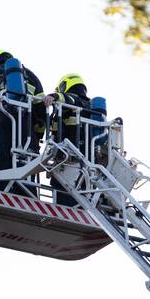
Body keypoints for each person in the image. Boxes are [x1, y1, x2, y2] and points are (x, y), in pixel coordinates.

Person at [0, 50, 45, 190]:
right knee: (27, 176)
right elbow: (41, 110)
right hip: (27, 135)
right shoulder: (30, 75)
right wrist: (37, 135)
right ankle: (27, 194)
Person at [43, 73, 92, 206]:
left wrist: (55, 96)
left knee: (64, 199)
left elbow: (69, 99)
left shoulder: (79, 102)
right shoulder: (88, 106)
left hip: (71, 159)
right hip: (80, 161)